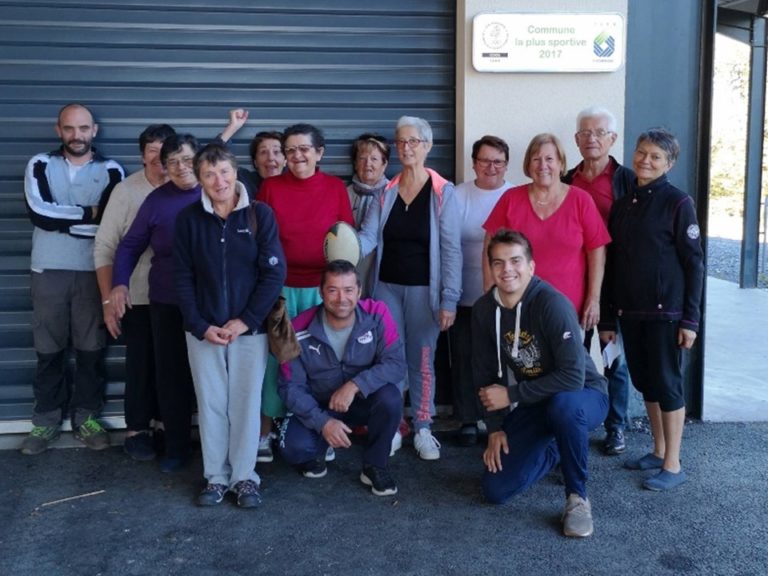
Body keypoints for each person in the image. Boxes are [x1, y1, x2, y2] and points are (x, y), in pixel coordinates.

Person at [473, 229, 608, 538]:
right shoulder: (484, 310)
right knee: (495, 489)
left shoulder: (551, 304)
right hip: (537, 400)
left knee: (564, 406)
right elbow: (484, 375)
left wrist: (511, 394)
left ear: (531, 266)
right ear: (490, 268)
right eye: (498, 263)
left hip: (584, 396)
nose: (507, 269)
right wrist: (494, 428)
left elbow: (572, 377)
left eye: (515, 261)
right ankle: (558, 447)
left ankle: (577, 498)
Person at [174, 143, 286, 507]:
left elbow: (273, 274)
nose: (218, 181)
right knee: (211, 404)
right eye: (209, 174)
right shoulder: (188, 219)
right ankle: (216, 478)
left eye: (223, 172)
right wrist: (199, 325)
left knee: (245, 403)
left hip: (249, 330)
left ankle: (245, 477)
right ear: (200, 179)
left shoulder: (259, 215)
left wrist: (246, 320)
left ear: (235, 172)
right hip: (204, 331)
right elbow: (182, 277)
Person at [600, 128, 704, 491]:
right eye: (642, 153)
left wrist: (690, 320)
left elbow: (694, 264)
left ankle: (673, 464)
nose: (646, 160)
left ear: (669, 163)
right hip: (631, 313)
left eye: (656, 156)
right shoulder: (623, 204)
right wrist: (609, 317)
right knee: (646, 383)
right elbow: (613, 265)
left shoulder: (678, 203)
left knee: (668, 385)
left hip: (667, 314)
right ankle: (658, 451)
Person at [21, 103, 124, 455]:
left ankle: (87, 418)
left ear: (94, 130)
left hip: (93, 270)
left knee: (91, 349)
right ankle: (45, 421)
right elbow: (39, 213)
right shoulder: (40, 164)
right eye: (69, 128)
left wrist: (63, 221)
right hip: (47, 269)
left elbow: (108, 222)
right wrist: (87, 214)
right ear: (59, 130)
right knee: (48, 348)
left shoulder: (111, 170)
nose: (76, 135)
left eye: (83, 128)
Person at [359, 115, 462, 461]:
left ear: (427, 146)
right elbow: (368, 238)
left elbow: (451, 250)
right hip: (386, 288)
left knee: (422, 360)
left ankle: (423, 427)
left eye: (413, 141)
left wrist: (449, 299)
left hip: (424, 292)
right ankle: (392, 426)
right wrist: (342, 246)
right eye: (400, 141)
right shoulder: (385, 191)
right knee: (389, 359)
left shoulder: (443, 192)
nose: (405, 148)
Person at [259, 123, 355, 462]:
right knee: (277, 360)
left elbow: (345, 240)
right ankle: (265, 432)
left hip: (322, 291)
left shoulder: (335, 188)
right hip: (281, 290)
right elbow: (259, 239)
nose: (297, 155)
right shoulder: (270, 188)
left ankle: (321, 432)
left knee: (321, 363)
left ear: (319, 152)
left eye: (304, 149)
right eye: (291, 150)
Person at [110, 133, 201, 473]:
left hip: (211, 304)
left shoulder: (218, 190)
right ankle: (176, 447)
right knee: (171, 375)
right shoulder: (156, 201)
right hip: (166, 300)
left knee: (212, 376)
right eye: (172, 162)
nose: (180, 167)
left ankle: (221, 449)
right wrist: (119, 283)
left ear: (200, 160)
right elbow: (130, 245)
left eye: (187, 159)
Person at [278, 260, 406, 496]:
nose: (341, 299)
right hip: (321, 406)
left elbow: (396, 364)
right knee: (293, 448)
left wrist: (355, 385)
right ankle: (321, 446)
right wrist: (322, 422)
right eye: (333, 290)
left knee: (390, 398)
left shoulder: (377, 314)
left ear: (358, 291)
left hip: (364, 401)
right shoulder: (297, 328)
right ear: (321, 292)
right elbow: (290, 387)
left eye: (348, 290)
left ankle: (375, 465)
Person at [94, 123, 176, 461]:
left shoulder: (187, 187)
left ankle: (167, 425)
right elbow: (104, 247)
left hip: (175, 297)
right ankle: (137, 429)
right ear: (142, 155)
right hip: (136, 296)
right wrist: (108, 299)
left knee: (172, 365)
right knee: (140, 365)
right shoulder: (126, 191)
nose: (159, 158)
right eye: (152, 151)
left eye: (164, 151)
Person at [482, 133, 610, 336]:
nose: (543, 165)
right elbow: (490, 247)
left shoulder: (581, 201)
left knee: (568, 357)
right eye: (536, 159)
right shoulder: (511, 199)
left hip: (567, 310)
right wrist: (490, 294)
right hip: (516, 308)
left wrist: (593, 299)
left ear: (561, 163)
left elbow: (596, 250)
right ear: (528, 165)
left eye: (549, 159)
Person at [562, 106, 635, 456]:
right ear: (576, 139)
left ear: (612, 138)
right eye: (585, 133)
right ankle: (574, 420)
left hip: (613, 284)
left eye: (599, 132)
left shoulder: (627, 181)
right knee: (571, 356)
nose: (591, 138)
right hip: (575, 281)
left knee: (612, 356)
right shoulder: (566, 180)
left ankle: (616, 425)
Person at [449, 135, 511, 446]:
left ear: (506, 165)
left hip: (504, 298)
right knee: (465, 358)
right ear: (474, 163)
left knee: (500, 360)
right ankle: (468, 419)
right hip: (464, 294)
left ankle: (499, 419)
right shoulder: (458, 195)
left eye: (498, 161)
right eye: (485, 161)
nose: (491, 167)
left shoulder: (514, 195)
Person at [347, 133, 390, 297]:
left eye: (374, 159)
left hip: (383, 269)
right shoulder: (344, 194)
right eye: (362, 158)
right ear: (355, 163)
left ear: (384, 164)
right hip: (350, 268)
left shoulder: (393, 194)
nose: (368, 164)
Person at [217, 108, 285, 198]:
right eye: (263, 152)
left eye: (276, 152)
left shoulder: (297, 182)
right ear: (255, 162)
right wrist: (232, 128)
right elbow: (210, 161)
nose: (271, 158)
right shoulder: (246, 181)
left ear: (285, 160)